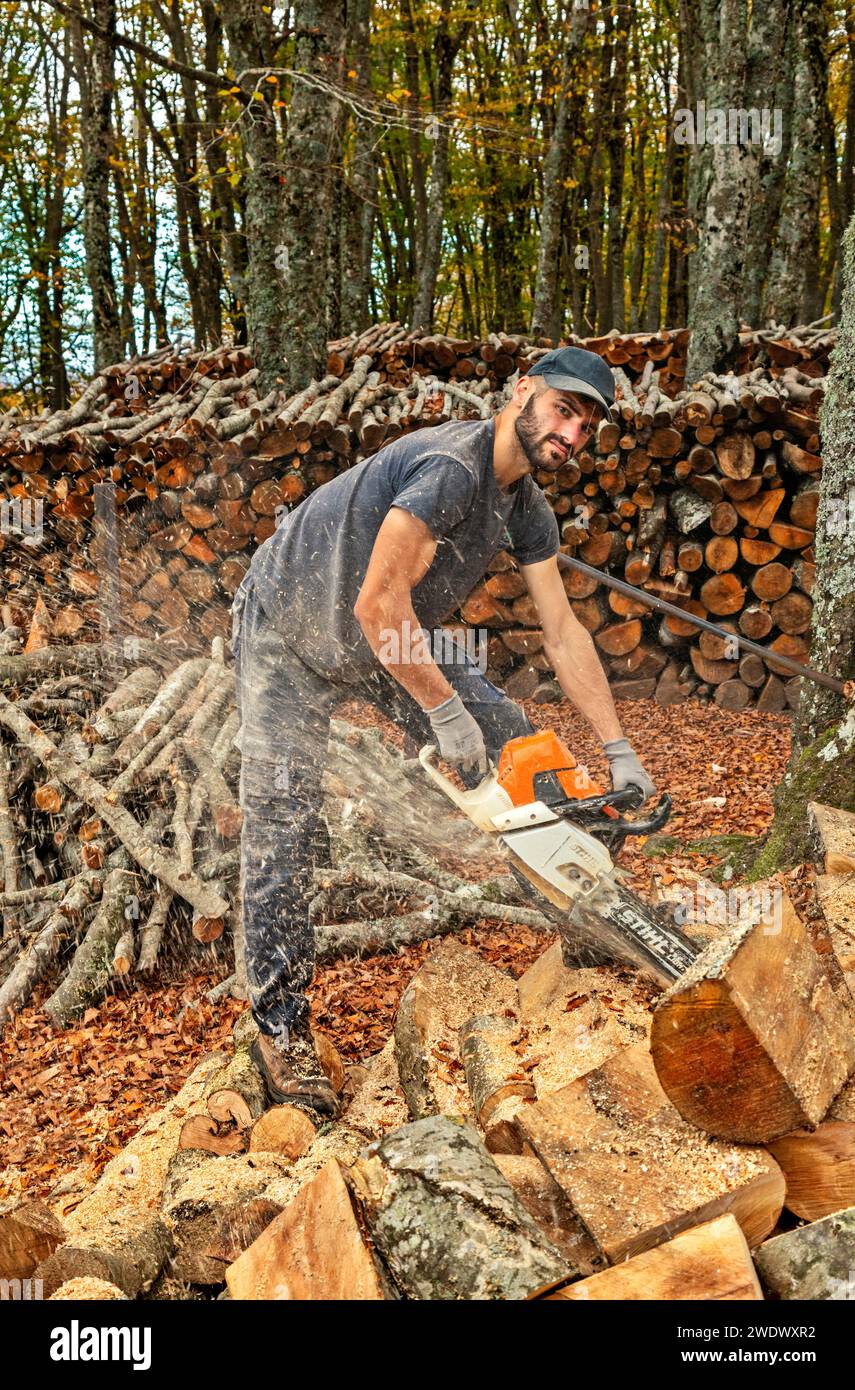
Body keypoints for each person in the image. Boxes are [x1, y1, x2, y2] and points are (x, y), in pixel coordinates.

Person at [230, 346, 656, 1117]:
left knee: (519, 745)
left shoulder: (527, 509)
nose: (573, 432)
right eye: (565, 409)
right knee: (283, 822)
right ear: (522, 390)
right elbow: (376, 605)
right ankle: (281, 1026)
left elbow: (561, 631)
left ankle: (594, 913)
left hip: (386, 637)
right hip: (287, 633)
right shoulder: (453, 469)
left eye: (588, 424)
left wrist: (617, 750)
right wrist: (441, 711)